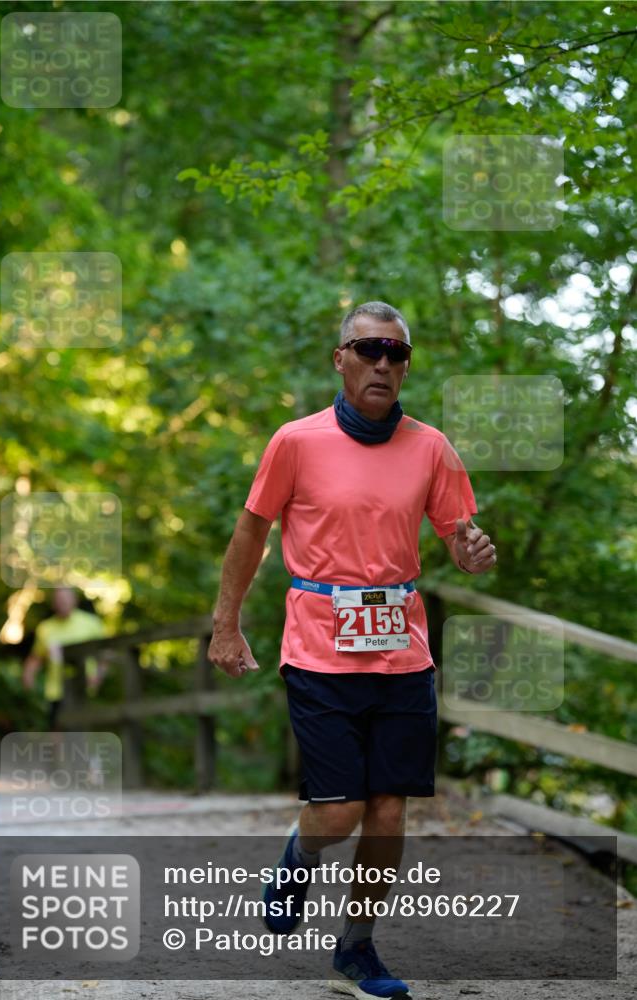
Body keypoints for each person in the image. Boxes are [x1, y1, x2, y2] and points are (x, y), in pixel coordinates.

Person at [209, 301, 496, 999]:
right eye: (369, 349)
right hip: (317, 644)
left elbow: (459, 537)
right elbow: (251, 535)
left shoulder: (430, 447)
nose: (383, 364)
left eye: (396, 354)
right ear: (339, 358)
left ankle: (357, 950)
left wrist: (470, 552)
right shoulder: (295, 442)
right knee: (338, 811)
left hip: (402, 650)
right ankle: (297, 855)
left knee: (390, 808)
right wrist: (226, 623)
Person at [22, 586, 108, 731]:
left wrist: (98, 677)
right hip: (56, 690)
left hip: (84, 688)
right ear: (53, 603)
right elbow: (36, 657)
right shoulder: (45, 628)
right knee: (57, 728)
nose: (62, 603)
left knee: (83, 729)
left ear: (74, 600)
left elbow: (104, 656)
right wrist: (28, 676)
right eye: (59, 600)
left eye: (65, 599)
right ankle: (60, 754)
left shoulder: (91, 624)